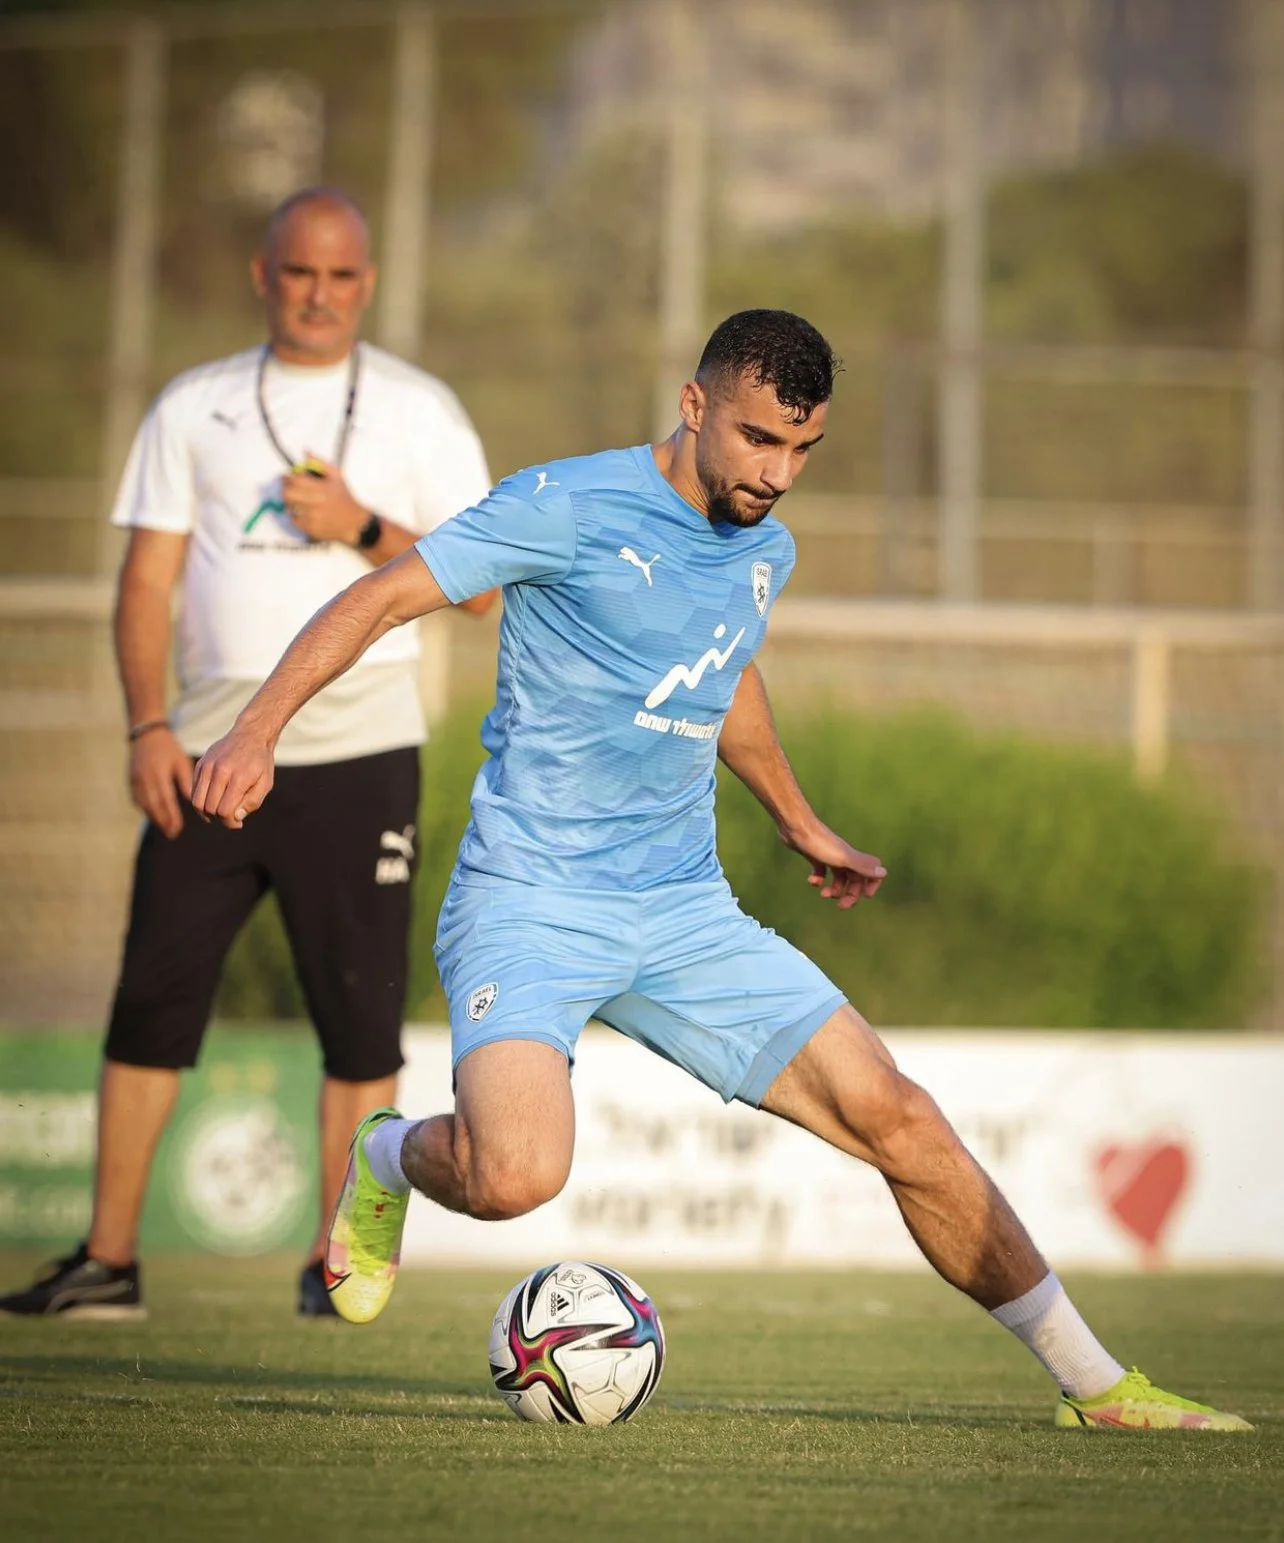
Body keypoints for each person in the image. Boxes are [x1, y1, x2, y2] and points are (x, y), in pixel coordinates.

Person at [186, 309, 1247, 1429]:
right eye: (757, 440)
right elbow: (379, 594)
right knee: (513, 1178)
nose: (777, 474)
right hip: (532, 899)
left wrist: (798, 818)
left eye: (803, 450)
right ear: (694, 405)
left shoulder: (763, 549)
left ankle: (1098, 1385)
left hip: (684, 910)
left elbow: (720, 673)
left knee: (900, 1117)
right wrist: (257, 731)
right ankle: (393, 1154)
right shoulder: (564, 504)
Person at [0, 188, 495, 1320]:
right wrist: (147, 724)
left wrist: (361, 525)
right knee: (151, 1000)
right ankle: (108, 1260)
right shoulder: (195, 405)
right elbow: (147, 583)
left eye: (341, 275)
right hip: (209, 753)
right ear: (262, 276)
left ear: (368, 284)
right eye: (298, 272)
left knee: (360, 1021)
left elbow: (482, 590)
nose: (319, 295)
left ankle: (338, 1265)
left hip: (362, 749)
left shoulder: (421, 410)